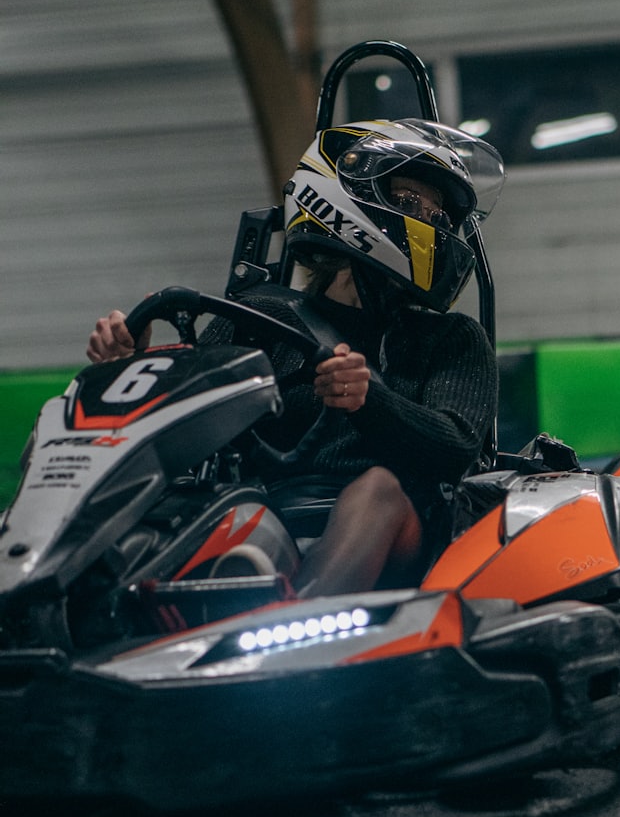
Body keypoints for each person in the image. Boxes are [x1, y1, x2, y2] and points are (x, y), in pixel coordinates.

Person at [87, 119, 505, 596]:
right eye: (411, 203)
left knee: (377, 488)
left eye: (439, 217)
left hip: (400, 538)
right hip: (264, 517)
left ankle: (294, 618)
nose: (431, 224)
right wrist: (126, 365)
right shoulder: (261, 316)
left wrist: (369, 400)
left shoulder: (451, 338)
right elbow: (188, 425)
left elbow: (456, 448)